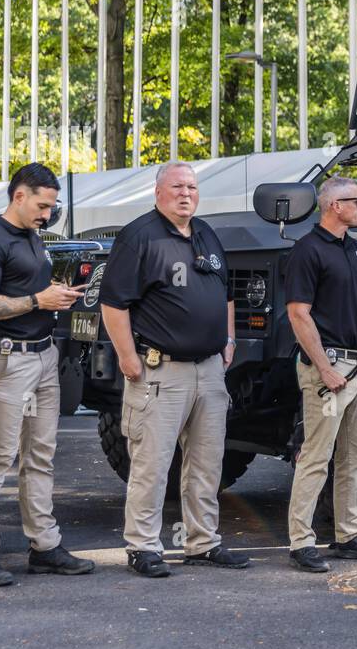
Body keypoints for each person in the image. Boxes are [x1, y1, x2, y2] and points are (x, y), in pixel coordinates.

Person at [98, 162, 249, 578]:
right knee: (152, 462)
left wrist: (229, 340)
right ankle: (143, 547)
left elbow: (226, 294)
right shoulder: (139, 237)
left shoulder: (206, 233)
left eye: (192, 187)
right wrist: (127, 356)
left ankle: (203, 542)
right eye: (178, 187)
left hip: (209, 370)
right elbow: (113, 303)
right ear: (158, 192)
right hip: (160, 371)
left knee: (207, 464)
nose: (186, 194)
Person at [0, 163, 93, 587]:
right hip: (8, 360)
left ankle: (45, 546)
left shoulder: (33, 237)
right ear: (19, 196)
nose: (47, 214)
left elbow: (27, 292)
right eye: (42, 206)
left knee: (40, 455)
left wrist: (57, 297)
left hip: (42, 357)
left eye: (51, 206)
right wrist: (38, 300)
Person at [284, 176, 357, 573]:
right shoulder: (307, 250)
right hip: (327, 369)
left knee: (355, 457)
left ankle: (350, 535)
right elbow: (298, 314)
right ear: (335, 206)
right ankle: (301, 541)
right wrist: (324, 368)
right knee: (316, 455)